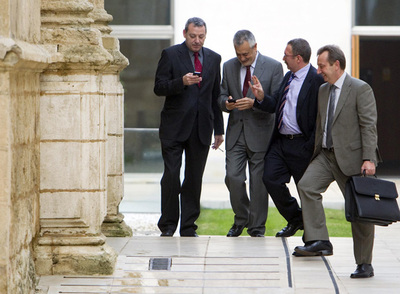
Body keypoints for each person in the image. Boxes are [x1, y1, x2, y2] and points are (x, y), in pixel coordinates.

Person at [292, 45, 381, 279]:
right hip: (326, 156)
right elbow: (322, 124)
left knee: (359, 212)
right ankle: (320, 240)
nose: (319, 70)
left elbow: (368, 126)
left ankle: (365, 264)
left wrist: (369, 158)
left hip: (353, 159)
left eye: (322, 66)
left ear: (336, 65)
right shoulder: (323, 90)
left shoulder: (361, 89)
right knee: (306, 186)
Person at [154, 17, 224, 237]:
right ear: (185, 33)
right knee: (172, 176)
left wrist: (219, 130)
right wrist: (181, 82)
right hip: (174, 128)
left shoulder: (213, 58)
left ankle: (188, 227)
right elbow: (158, 87)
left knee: (194, 179)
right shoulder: (170, 54)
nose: (197, 41)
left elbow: (215, 96)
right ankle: (167, 225)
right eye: (193, 36)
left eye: (201, 36)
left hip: (201, 128)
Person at [251, 38, 324, 237]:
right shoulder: (288, 77)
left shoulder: (316, 80)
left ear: (298, 58)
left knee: (305, 191)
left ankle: (313, 237)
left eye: (287, 55)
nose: (283, 58)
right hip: (281, 142)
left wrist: (311, 146)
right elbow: (276, 104)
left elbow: (321, 117)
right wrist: (260, 97)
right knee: (270, 178)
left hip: (302, 144)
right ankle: (295, 218)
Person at [218, 30, 283, 237]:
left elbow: (278, 104)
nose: (242, 58)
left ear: (255, 47)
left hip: (261, 134)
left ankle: (256, 227)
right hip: (236, 133)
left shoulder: (273, 67)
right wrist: (226, 104)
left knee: (258, 184)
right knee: (233, 178)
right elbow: (220, 95)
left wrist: (257, 101)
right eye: (238, 54)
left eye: (246, 54)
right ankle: (242, 217)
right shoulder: (228, 66)